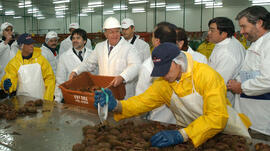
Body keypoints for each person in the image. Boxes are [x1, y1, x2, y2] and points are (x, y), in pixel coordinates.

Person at [95, 42, 251, 148]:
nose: (164, 76)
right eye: (160, 72)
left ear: (179, 61)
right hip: (193, 136)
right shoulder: (164, 83)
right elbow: (142, 102)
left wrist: (182, 135)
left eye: (166, 70)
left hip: (227, 133)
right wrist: (117, 105)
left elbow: (217, 117)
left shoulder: (206, 76)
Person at [69, 17, 141, 99]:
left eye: (117, 31)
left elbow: (136, 65)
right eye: (111, 32)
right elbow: (89, 63)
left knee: (120, 110)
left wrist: (122, 76)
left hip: (122, 92)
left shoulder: (129, 48)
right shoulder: (99, 47)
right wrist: (76, 71)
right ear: (105, 34)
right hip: (104, 90)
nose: (115, 35)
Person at [227, 6, 270, 135]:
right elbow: (252, 72)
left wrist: (242, 87)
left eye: (244, 26)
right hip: (248, 113)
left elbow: (268, 79)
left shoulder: (268, 45)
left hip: (261, 117)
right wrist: (237, 81)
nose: (241, 31)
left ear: (259, 23)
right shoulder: (257, 43)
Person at [0, 33, 55, 101]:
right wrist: (7, 86)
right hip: (22, 102)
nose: (32, 46)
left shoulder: (41, 59)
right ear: (21, 46)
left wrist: (47, 99)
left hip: (41, 100)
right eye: (28, 44)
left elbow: (50, 79)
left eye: (32, 43)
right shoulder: (14, 63)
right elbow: (10, 78)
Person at [207, 17, 246, 105]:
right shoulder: (224, 43)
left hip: (222, 100)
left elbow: (219, 83)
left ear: (224, 34)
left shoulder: (228, 53)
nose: (208, 33)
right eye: (209, 29)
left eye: (212, 30)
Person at [54, 29, 93, 103]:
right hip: (72, 95)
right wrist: (58, 98)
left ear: (84, 41)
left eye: (78, 38)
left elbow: (96, 74)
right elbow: (60, 80)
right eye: (73, 38)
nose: (75, 40)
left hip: (89, 94)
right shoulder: (64, 57)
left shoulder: (92, 54)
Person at [0, 22, 18, 99]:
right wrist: (5, 42)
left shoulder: (15, 44)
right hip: (2, 78)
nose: (9, 32)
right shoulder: (1, 44)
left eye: (11, 30)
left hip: (14, 79)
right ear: (2, 32)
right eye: (6, 30)